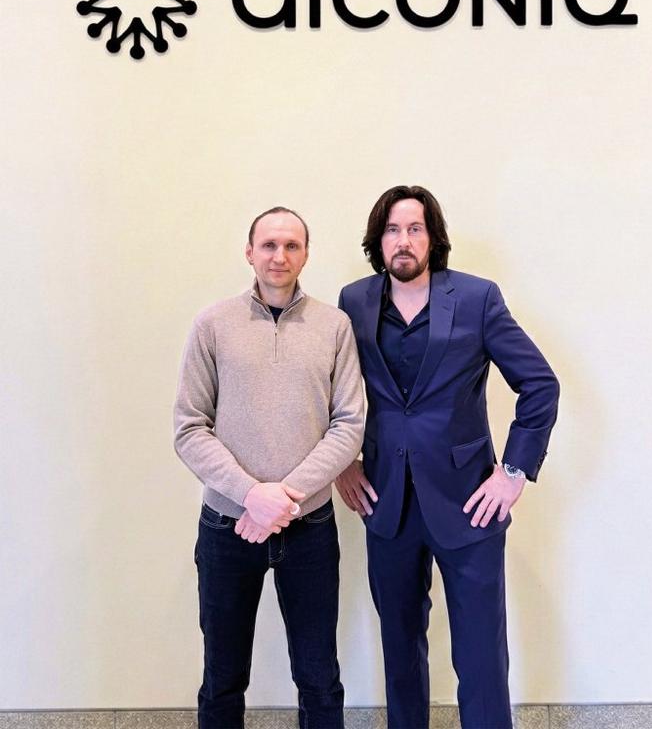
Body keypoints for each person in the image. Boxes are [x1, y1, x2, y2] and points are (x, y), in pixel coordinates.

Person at [336, 186, 559, 729]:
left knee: (480, 657)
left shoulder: (478, 298)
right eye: (392, 230)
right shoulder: (354, 302)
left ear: (433, 238)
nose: (403, 240)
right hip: (386, 500)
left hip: (469, 503)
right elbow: (330, 388)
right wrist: (343, 462)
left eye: (415, 228)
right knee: (400, 652)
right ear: (377, 241)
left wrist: (512, 473)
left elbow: (539, 385)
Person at [174, 206, 364, 729]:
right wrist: (251, 495)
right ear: (249, 252)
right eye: (269, 245)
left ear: (306, 254)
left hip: (310, 528)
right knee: (222, 678)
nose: (280, 256)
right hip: (227, 527)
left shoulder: (334, 327)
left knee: (319, 678)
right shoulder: (213, 325)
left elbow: (349, 425)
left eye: (291, 245)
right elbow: (189, 427)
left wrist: (284, 497)